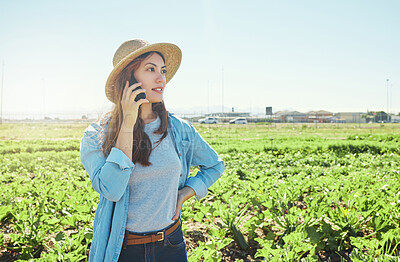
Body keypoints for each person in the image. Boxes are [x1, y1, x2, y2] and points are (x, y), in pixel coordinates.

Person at [80, 39, 224, 262]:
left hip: (171, 245)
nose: (161, 79)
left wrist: (185, 193)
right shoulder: (95, 135)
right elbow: (112, 190)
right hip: (124, 251)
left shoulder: (179, 129)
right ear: (129, 79)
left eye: (163, 71)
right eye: (150, 69)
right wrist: (127, 123)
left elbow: (215, 165)